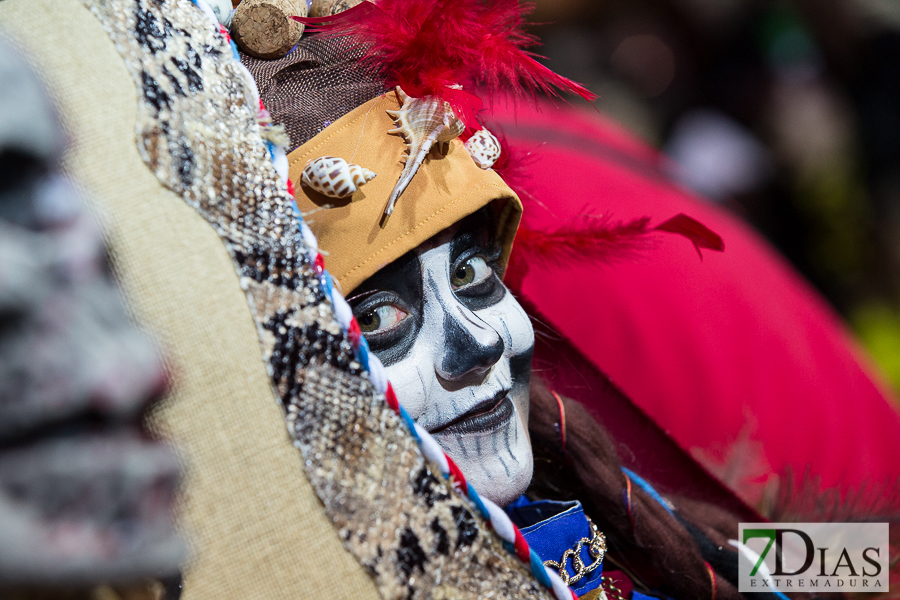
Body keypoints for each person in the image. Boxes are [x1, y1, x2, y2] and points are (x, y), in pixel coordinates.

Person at [238, 1, 803, 598]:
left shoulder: (605, 507)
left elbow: (842, 564)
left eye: (473, 273)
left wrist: (867, 564)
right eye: (377, 316)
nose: (479, 343)